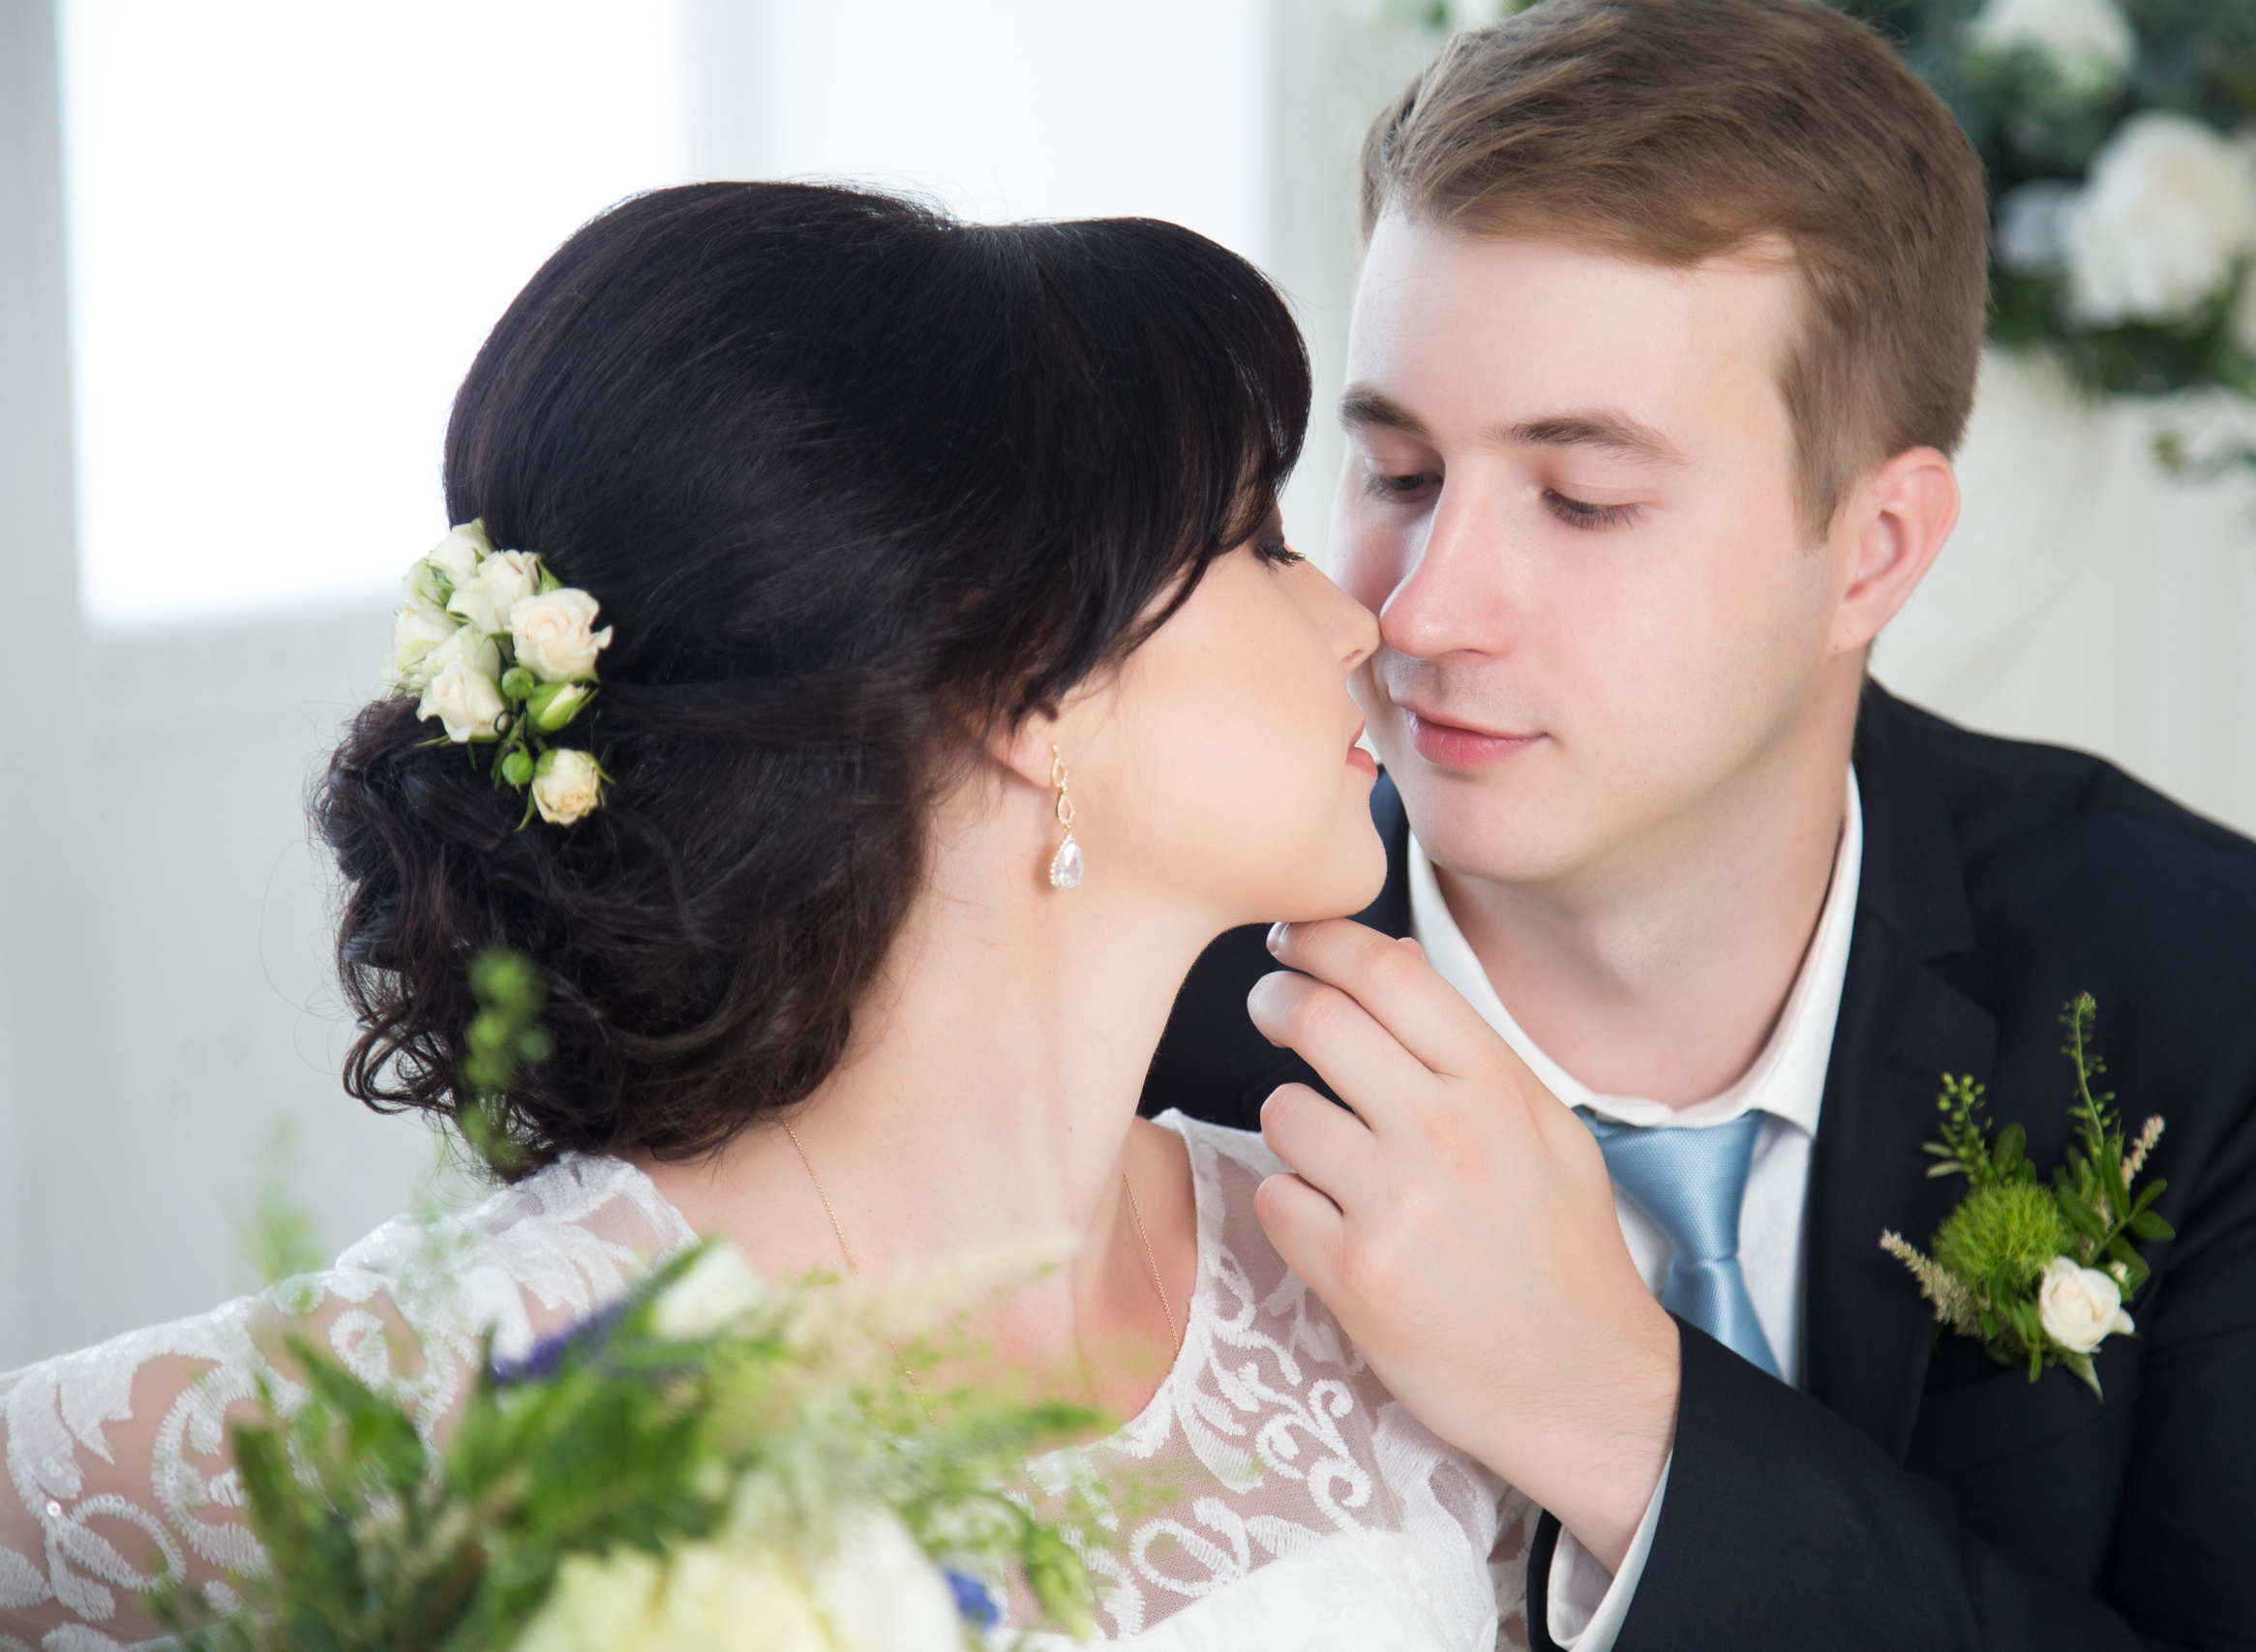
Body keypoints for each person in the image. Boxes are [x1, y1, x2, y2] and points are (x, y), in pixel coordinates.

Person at [0, 182, 1529, 1649]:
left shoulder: (1368, 1267)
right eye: (1259, 543)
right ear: (1028, 694)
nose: (1356, 618)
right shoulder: (490, 1383)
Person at [1143, 1, 2256, 1647]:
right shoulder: (1148, 990)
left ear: (1878, 549)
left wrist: (1634, 1423)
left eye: (1585, 499)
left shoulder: (2227, 993)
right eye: (1399, 472)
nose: (1423, 613)